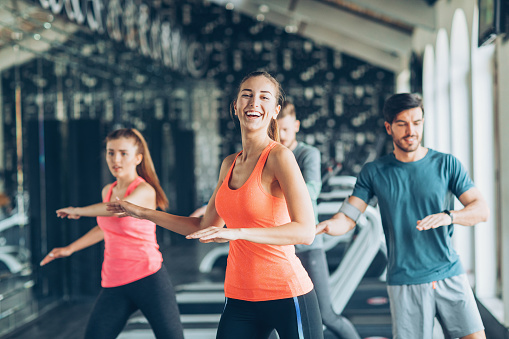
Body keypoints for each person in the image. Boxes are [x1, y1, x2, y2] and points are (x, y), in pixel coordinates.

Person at [107, 71, 324, 339]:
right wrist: (141, 212)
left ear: (275, 110)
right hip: (240, 297)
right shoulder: (228, 164)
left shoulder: (280, 157)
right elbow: (202, 226)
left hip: (287, 293)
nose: (254, 102)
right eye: (247, 95)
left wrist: (237, 232)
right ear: (235, 106)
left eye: (264, 97)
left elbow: (305, 231)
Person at [317, 93, 489, 339]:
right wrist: (325, 226)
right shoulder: (374, 172)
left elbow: (481, 210)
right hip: (405, 280)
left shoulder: (447, 164)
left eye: (417, 123)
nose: (411, 130)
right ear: (389, 127)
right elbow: (348, 216)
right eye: (402, 124)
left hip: (449, 272)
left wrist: (450, 216)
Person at [40, 128, 184, 339]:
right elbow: (105, 227)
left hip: (149, 278)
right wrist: (69, 249)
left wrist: (78, 211)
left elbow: (118, 210)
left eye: (123, 153)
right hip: (115, 282)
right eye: (110, 152)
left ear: (137, 158)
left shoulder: (144, 191)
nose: (115, 159)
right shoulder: (108, 190)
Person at [277, 102, 360, 339]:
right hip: (278, 246)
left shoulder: (307, 154)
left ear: (296, 126)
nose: (281, 136)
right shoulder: (269, 153)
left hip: (307, 245)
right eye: (276, 130)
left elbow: (311, 191)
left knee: (326, 314)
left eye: (286, 130)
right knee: (277, 316)